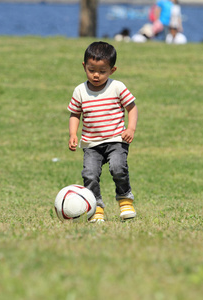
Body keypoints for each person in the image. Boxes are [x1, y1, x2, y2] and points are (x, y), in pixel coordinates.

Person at [68, 41, 138, 222]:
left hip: (116, 139)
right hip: (91, 143)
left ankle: (125, 200)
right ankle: (95, 207)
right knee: (89, 174)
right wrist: (73, 134)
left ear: (112, 70)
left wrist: (130, 128)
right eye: (91, 70)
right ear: (84, 66)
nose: (96, 75)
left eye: (102, 71)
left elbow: (132, 107)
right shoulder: (80, 91)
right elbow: (75, 114)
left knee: (118, 168)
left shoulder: (117, 87)